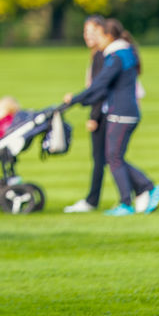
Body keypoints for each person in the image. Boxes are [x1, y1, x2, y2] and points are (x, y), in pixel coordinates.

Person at [64, 18, 159, 216]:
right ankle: (146, 189)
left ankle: (129, 201)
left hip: (120, 113)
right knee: (114, 157)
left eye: (100, 36)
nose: (98, 41)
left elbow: (99, 84)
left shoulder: (116, 56)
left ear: (108, 36)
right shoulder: (125, 53)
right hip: (126, 112)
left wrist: (75, 99)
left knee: (113, 157)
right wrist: (83, 101)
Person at [63, 15, 108, 213]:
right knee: (110, 158)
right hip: (103, 110)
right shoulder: (98, 54)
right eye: (85, 32)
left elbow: (99, 89)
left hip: (103, 113)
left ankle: (92, 199)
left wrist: (93, 116)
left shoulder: (101, 55)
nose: (87, 36)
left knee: (105, 158)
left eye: (92, 32)